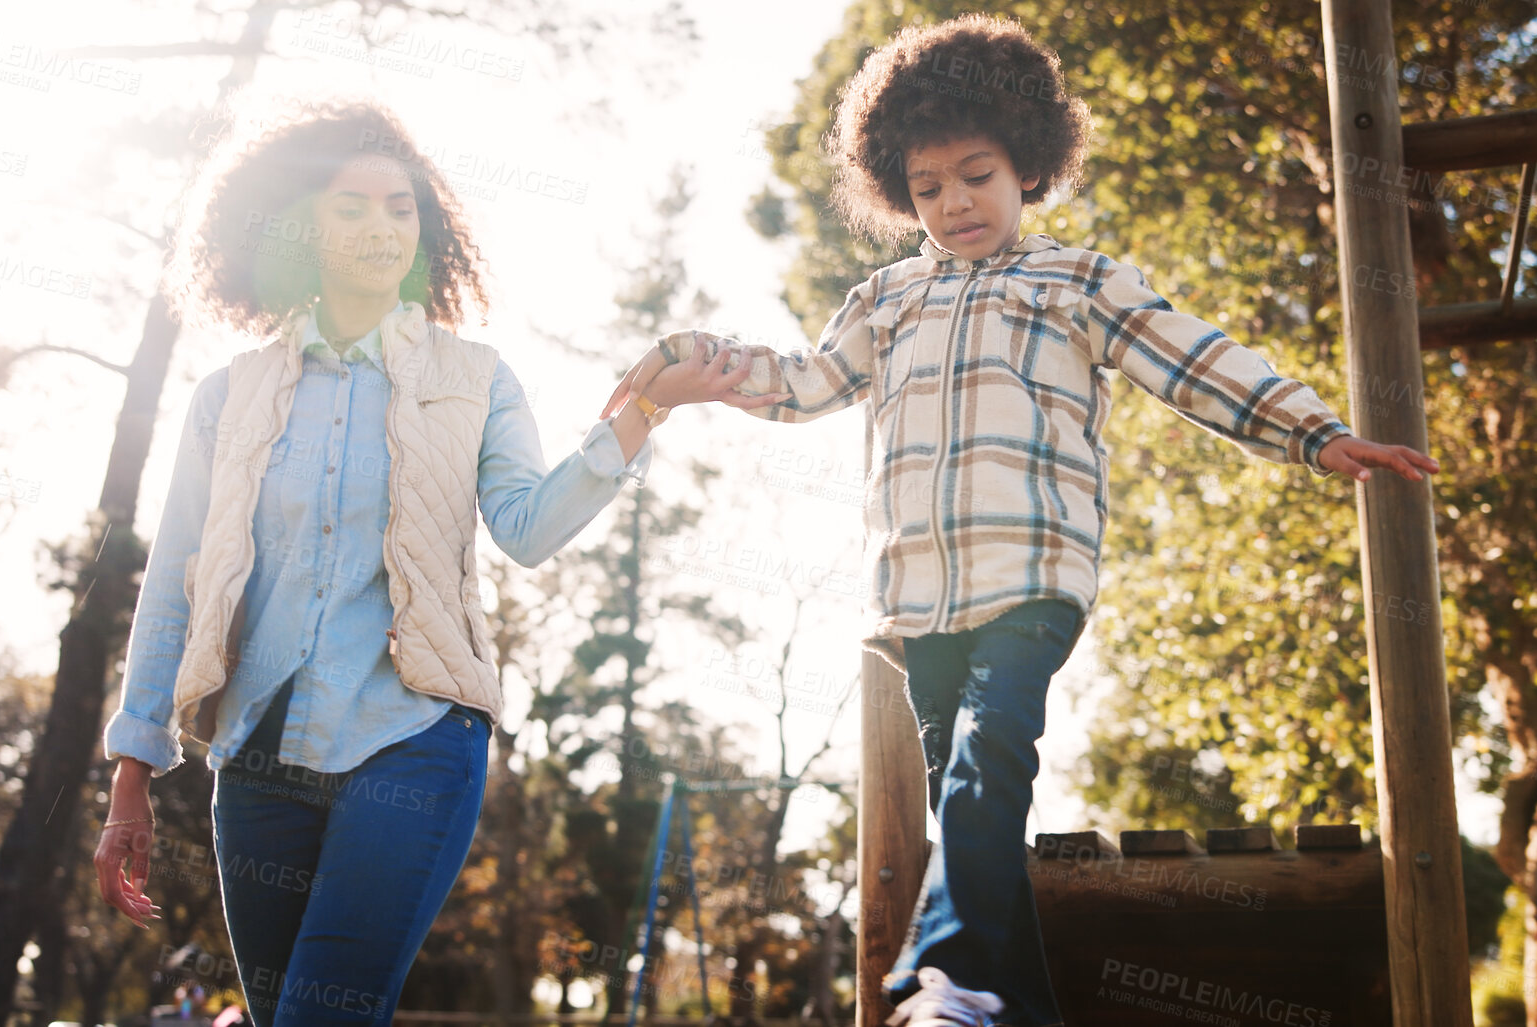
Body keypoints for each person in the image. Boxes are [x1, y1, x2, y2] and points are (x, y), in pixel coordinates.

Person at [604, 15, 1439, 1027]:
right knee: (973, 796)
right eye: (928, 188)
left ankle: (938, 975)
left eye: (977, 174)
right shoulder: (885, 300)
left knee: (985, 759)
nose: (954, 202)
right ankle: (1013, 1005)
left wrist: (1316, 433)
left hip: (1033, 579)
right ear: (898, 195)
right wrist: (710, 367)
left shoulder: (1079, 282)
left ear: (1028, 168)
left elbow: (1198, 361)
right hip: (916, 599)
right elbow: (801, 384)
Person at [93, 99, 772, 1027]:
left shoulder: (475, 378)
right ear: (299, 226)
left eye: (401, 208)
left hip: (412, 737)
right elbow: (173, 582)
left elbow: (528, 528)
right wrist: (134, 770)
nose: (381, 227)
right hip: (256, 756)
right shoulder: (228, 397)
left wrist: (643, 411)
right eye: (351, 207)